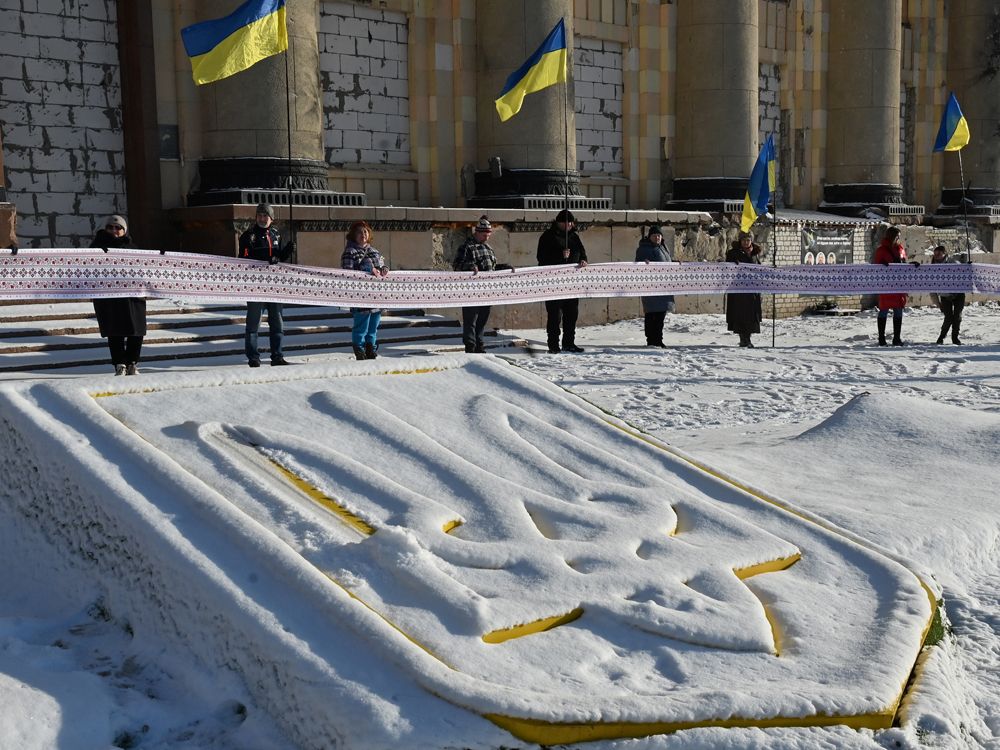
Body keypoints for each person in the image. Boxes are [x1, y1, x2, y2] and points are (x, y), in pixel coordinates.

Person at [239, 203, 295, 367]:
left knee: (277, 323)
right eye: (259, 215)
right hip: (256, 285)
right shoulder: (249, 236)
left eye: (265, 216)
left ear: (271, 218)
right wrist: (265, 260)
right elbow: (243, 259)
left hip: (275, 286)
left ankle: (277, 356)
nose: (262, 218)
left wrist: (287, 251)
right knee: (253, 324)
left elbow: (278, 258)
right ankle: (253, 357)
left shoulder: (276, 235)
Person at [91, 215, 146, 375]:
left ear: (124, 230)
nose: (114, 230)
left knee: (137, 329)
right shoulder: (96, 247)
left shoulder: (133, 248)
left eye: (118, 228)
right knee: (115, 330)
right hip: (109, 296)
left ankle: (133, 362)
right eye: (110, 227)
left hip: (133, 296)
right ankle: (119, 363)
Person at [537, 209, 588, 353]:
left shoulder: (574, 237)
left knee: (571, 314)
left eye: (571, 222)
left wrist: (583, 260)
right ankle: (553, 344)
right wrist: (560, 256)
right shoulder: (548, 236)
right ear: (558, 222)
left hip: (572, 283)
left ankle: (569, 342)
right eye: (566, 222)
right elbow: (542, 258)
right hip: (554, 283)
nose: (569, 225)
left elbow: (582, 252)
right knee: (555, 315)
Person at [341, 220, 389, 359]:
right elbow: (347, 273)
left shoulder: (374, 251)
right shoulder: (350, 252)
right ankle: (359, 348)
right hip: (360, 296)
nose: (363, 234)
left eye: (365, 231)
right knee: (361, 326)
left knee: (374, 326)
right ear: (353, 235)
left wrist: (384, 269)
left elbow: (381, 266)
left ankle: (371, 347)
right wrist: (366, 269)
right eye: (359, 232)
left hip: (376, 295)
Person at [453, 216, 498, 353]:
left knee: (482, 320)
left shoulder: (488, 248)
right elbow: (457, 265)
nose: (486, 238)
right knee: (470, 321)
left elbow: (492, 268)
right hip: (471, 291)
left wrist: (505, 267)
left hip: (486, 290)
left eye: (488, 235)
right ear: (477, 232)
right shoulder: (466, 247)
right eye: (484, 235)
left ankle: (480, 344)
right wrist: (470, 267)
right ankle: (470, 345)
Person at [872, 226, 917, 346]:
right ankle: (881, 338)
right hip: (886, 285)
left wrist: (912, 265)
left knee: (898, 311)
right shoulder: (881, 250)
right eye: (897, 236)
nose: (899, 238)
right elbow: (875, 267)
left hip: (899, 284)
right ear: (892, 236)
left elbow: (903, 264)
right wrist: (882, 265)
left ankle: (897, 338)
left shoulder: (901, 249)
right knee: (883, 310)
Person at [634, 226, 674, 347]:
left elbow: (667, 263)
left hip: (664, 288)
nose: (657, 237)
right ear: (649, 237)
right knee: (652, 315)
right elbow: (638, 264)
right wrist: (644, 263)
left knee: (661, 315)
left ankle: (658, 339)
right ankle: (651, 339)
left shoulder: (663, 248)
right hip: (651, 288)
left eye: (659, 235)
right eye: (655, 235)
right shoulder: (644, 249)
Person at [725, 230, 763, 347]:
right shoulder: (733, 253)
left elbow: (759, 268)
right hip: (739, 291)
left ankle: (748, 338)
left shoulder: (755, 253)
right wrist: (733, 264)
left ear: (751, 241)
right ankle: (743, 338)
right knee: (740, 314)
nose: (746, 242)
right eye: (744, 240)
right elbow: (727, 267)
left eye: (748, 240)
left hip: (752, 291)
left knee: (751, 315)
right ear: (740, 241)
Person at [931, 244, 965, 345]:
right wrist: (938, 303)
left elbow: (962, 272)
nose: (936, 255)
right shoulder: (932, 268)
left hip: (958, 294)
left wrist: (967, 266)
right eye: (935, 253)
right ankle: (941, 337)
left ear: (945, 254)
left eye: (939, 253)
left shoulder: (953, 263)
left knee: (957, 316)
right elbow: (932, 289)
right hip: (945, 296)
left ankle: (955, 337)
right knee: (948, 317)